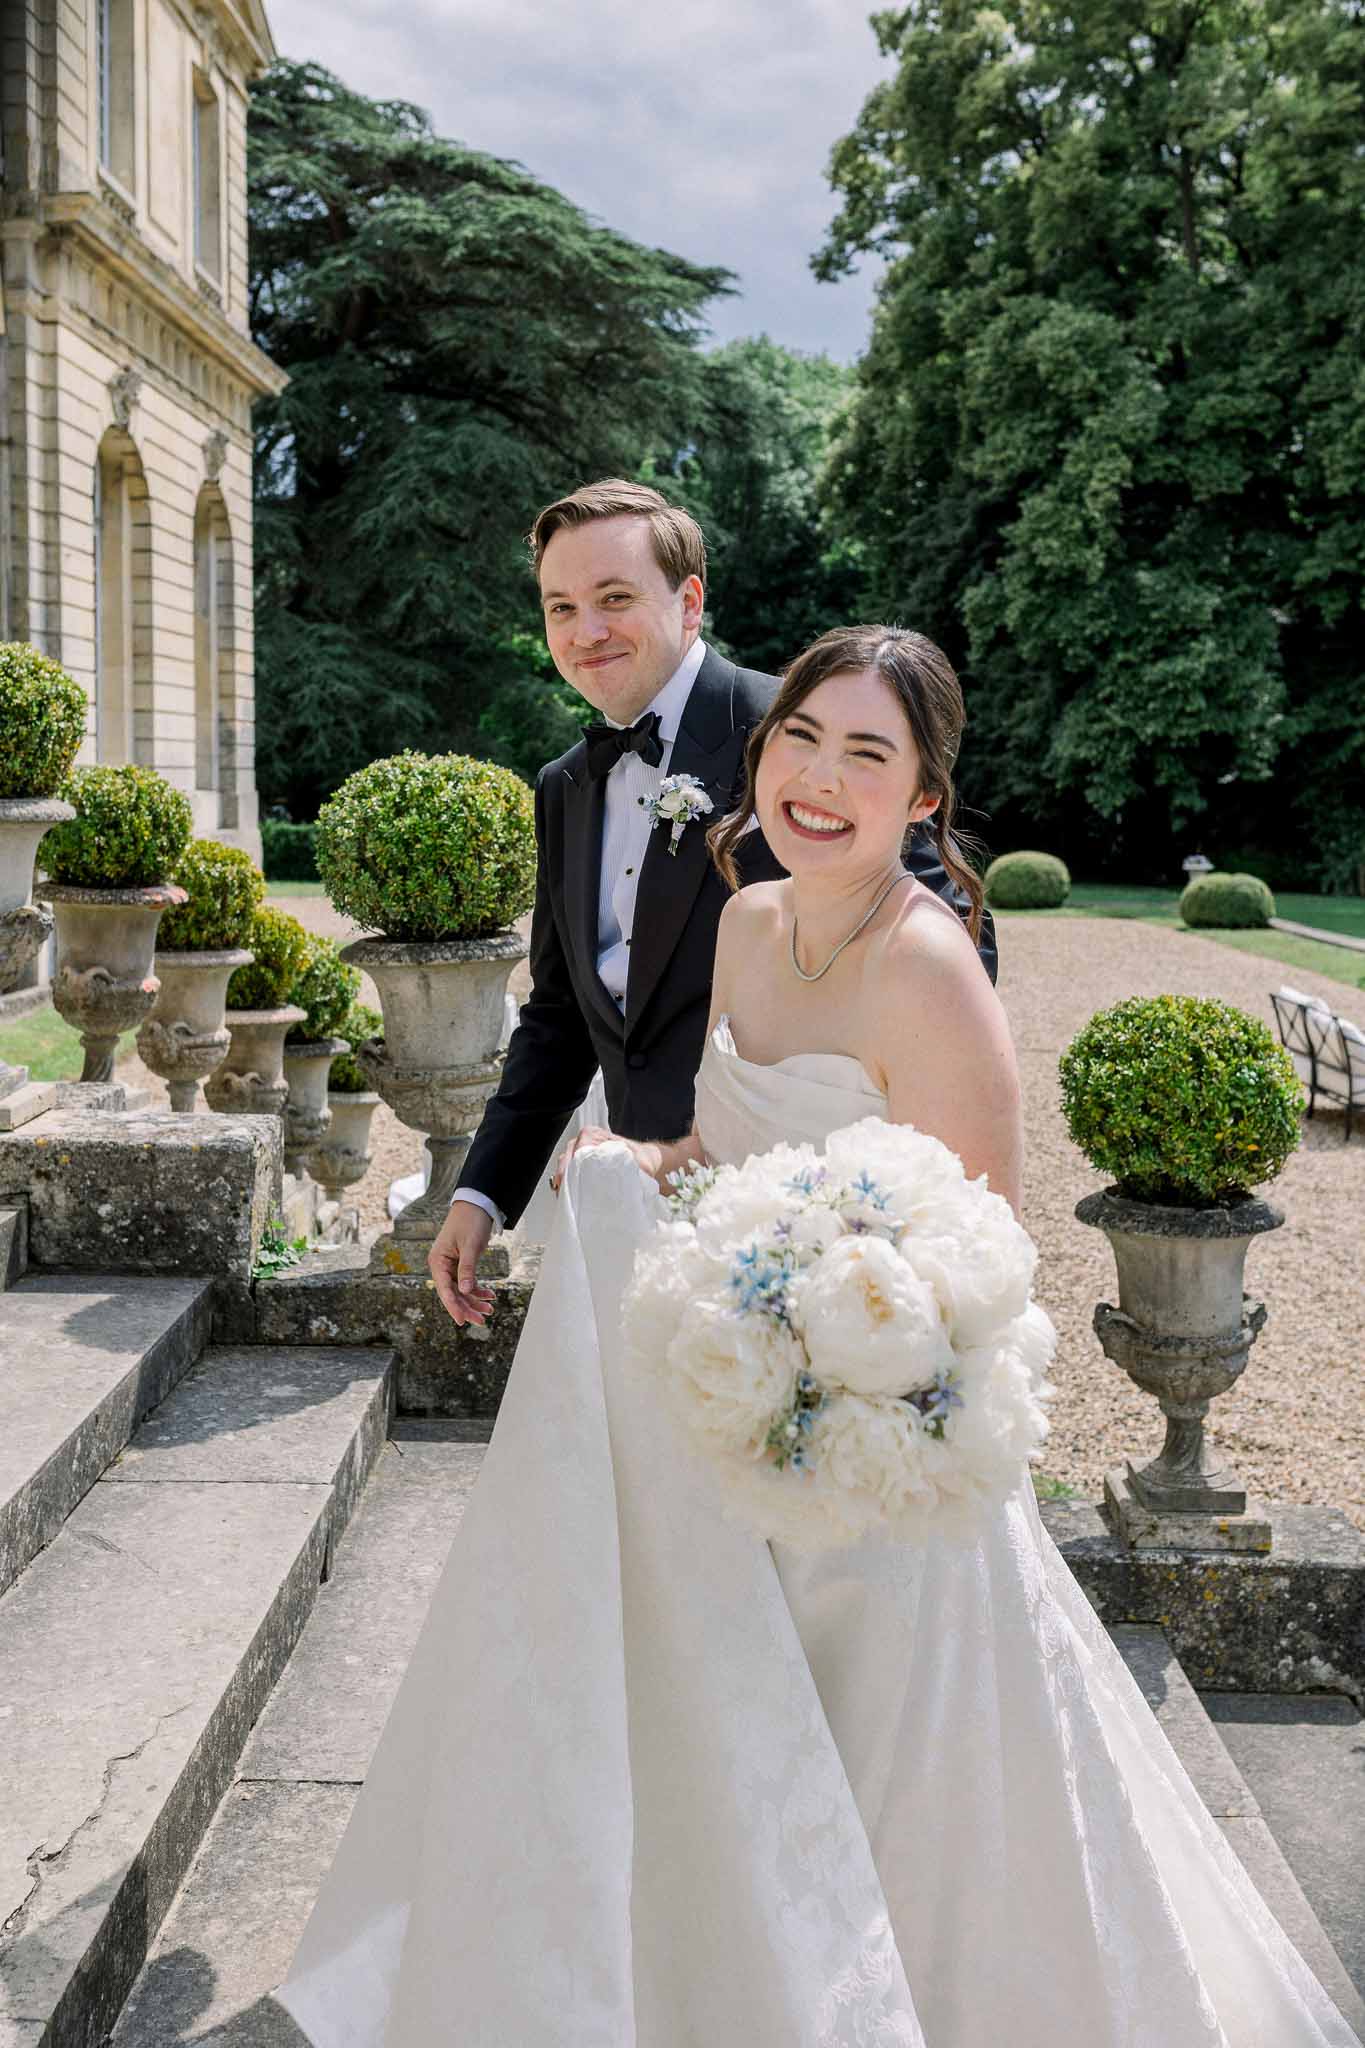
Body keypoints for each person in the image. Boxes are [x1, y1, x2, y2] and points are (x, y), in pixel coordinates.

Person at [275, 626, 1360, 2047]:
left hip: (881, 1454)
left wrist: (826, 1350)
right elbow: (720, 1158)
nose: (820, 776)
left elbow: (983, 1261)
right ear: (761, 751)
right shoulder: (742, 918)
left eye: (869, 754)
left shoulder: (932, 970)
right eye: (800, 738)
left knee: (890, 1783)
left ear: (922, 798)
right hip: (744, 1424)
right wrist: (617, 1165)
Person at [426, 477, 996, 1328]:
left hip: (818, 1227)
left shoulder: (794, 731)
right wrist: (483, 1190)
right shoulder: (562, 786)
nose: (585, 632)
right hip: (636, 1199)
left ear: (689, 602)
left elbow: (953, 948)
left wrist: (866, 1215)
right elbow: (560, 1013)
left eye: (614, 598)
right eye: (560, 607)